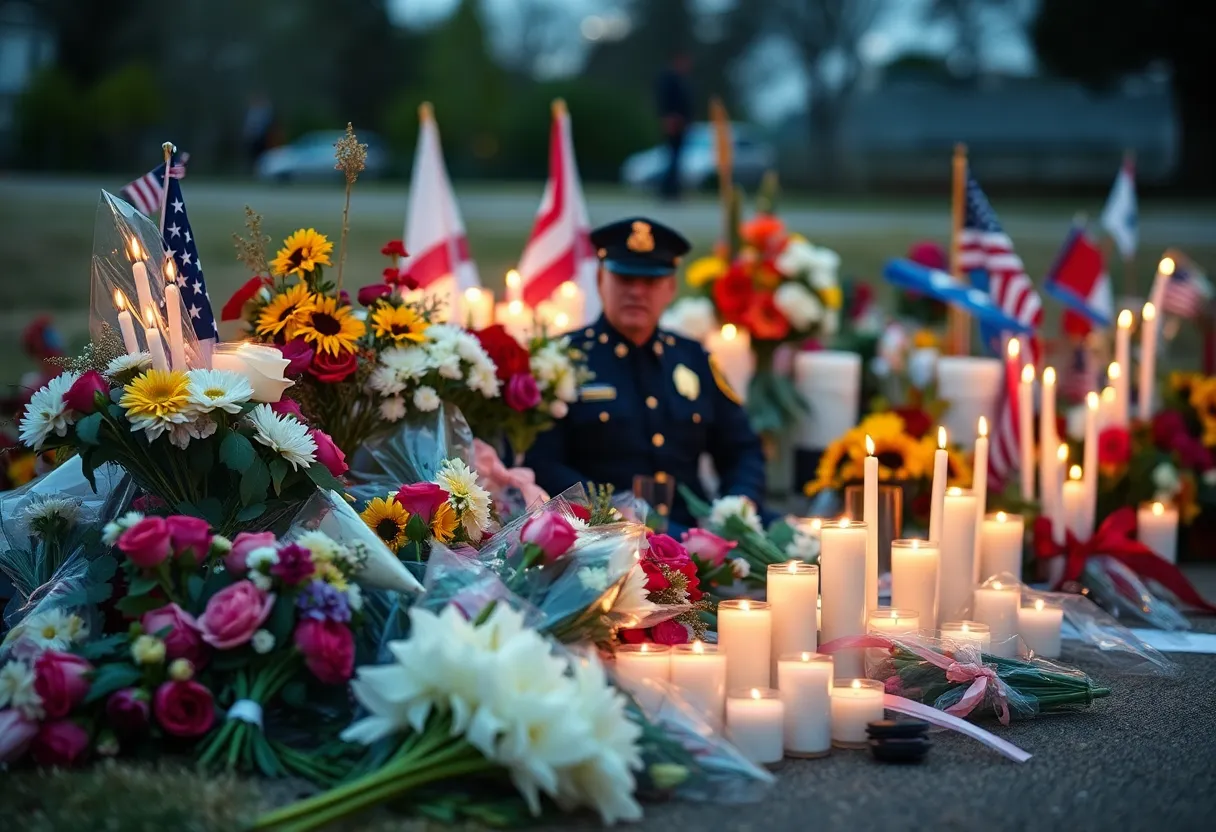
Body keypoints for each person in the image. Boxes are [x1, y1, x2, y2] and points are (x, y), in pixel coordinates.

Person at [527, 217, 766, 534]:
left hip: (694, 535)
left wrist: (737, 507)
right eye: (624, 279)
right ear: (601, 280)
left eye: (650, 281)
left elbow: (742, 448)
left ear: (670, 288)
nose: (637, 292)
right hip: (603, 537)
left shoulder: (693, 358)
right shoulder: (563, 359)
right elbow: (542, 463)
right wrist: (609, 514)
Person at [654, 52, 693, 201]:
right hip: (674, 123)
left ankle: (673, 190)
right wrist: (668, 118)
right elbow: (664, 101)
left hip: (683, 125)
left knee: (677, 159)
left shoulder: (684, 80)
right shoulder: (669, 80)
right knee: (671, 158)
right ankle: (667, 190)